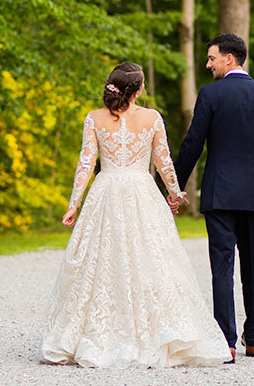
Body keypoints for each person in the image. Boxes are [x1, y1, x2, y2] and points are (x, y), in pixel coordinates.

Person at [41, 62, 232, 368]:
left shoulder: (94, 118)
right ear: (139, 88)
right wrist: (174, 193)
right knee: (152, 259)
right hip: (142, 191)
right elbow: (164, 160)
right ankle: (151, 331)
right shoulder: (152, 118)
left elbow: (86, 165)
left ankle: (96, 333)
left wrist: (73, 204)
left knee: (103, 262)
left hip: (106, 192)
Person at [173, 34, 254, 359]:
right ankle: (253, 338)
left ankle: (227, 343)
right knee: (253, 266)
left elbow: (193, 143)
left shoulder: (210, 95)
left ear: (229, 59)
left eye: (211, 59)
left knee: (221, 267)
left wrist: (174, 187)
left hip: (219, 195)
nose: (208, 65)